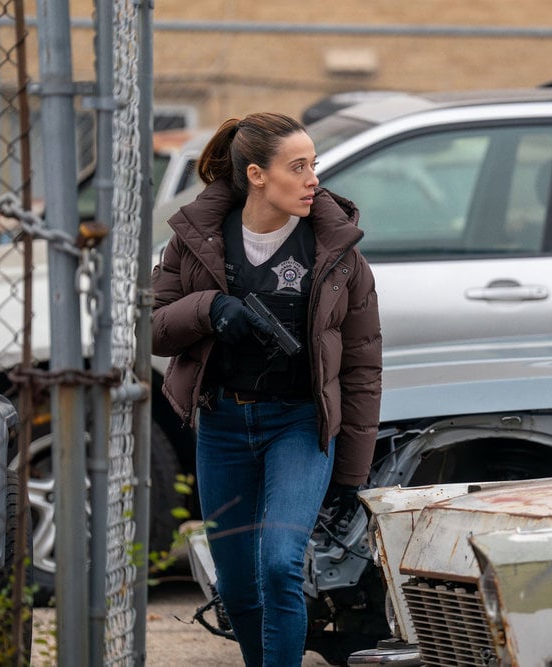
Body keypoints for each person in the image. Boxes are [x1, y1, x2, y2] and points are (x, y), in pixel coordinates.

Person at [150, 112, 382, 666]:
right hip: (223, 427)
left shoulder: (338, 254)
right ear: (256, 174)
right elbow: (152, 329)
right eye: (297, 167)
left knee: (279, 564)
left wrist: (351, 472)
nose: (313, 181)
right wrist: (210, 307)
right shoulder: (196, 242)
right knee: (236, 586)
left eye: (314, 166)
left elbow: (362, 368)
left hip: (298, 426)